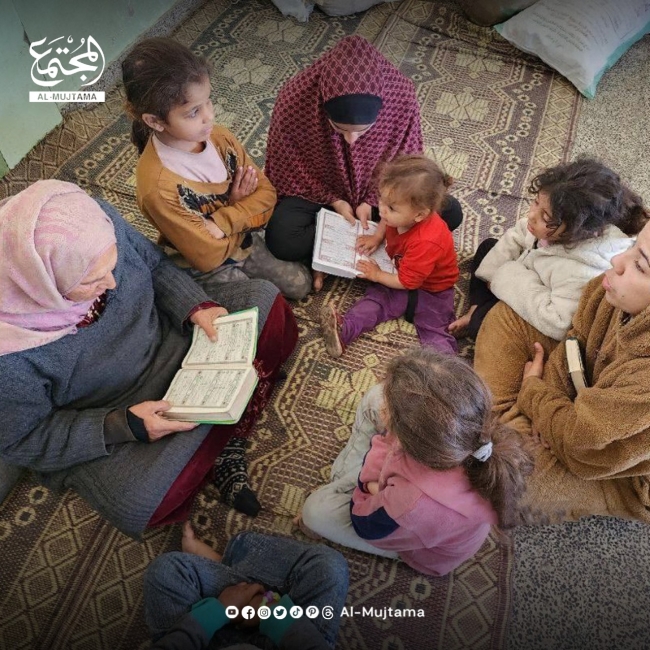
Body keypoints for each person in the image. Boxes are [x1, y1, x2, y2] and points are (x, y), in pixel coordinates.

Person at [0, 180, 298, 537]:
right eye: (92, 279)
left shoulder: (91, 221)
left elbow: (153, 265)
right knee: (140, 503)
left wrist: (194, 305)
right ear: (40, 284)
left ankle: (219, 438)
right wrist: (124, 425)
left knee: (265, 302)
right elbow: (23, 440)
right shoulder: (10, 354)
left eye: (112, 267)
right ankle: (227, 429)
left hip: (171, 337)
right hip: (116, 409)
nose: (112, 283)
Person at [473, 214, 650, 524]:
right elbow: (574, 340)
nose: (617, 259)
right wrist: (551, 395)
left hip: (610, 467)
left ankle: (492, 428)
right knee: (505, 318)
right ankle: (503, 435)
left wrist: (533, 394)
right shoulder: (610, 287)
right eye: (634, 246)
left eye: (641, 266)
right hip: (581, 406)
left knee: (521, 483)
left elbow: (586, 449)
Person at [296, 349, 532, 577]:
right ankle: (348, 478)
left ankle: (341, 480)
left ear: (408, 439)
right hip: (416, 498)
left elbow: (365, 524)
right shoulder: (472, 432)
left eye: (390, 414)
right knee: (375, 397)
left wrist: (371, 479)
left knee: (314, 512)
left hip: (415, 543)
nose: (384, 408)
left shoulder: (411, 502)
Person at [263, 35, 464, 291]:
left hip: (386, 196)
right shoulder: (295, 101)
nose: (351, 141)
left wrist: (373, 199)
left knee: (449, 212)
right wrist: (334, 199)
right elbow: (289, 167)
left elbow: (407, 165)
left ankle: (333, 247)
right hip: (316, 193)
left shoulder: (400, 97)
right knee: (281, 239)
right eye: (340, 128)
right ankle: (334, 249)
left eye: (363, 130)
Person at [122, 37, 311, 301]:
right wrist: (242, 207)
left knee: (301, 284)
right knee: (264, 301)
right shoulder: (158, 188)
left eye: (208, 101)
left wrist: (224, 219)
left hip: (239, 238)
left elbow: (267, 196)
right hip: (203, 268)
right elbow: (208, 256)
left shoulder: (220, 138)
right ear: (154, 121)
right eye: (193, 112)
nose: (209, 116)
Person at [449, 158, 647, 340]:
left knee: (481, 325)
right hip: (524, 274)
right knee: (488, 248)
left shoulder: (580, 271)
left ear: (577, 230)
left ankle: (478, 314)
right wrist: (493, 277)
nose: (532, 215)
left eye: (545, 217)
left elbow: (559, 323)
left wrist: (506, 278)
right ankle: (475, 307)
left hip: (538, 299)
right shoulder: (551, 228)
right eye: (535, 202)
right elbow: (517, 236)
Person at [320, 155, 459, 357]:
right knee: (376, 300)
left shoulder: (427, 241)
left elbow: (408, 282)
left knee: (435, 329)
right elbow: (386, 218)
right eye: (381, 200)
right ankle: (344, 330)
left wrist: (376, 275)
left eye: (391, 208)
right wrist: (377, 236)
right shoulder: (397, 215)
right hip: (403, 271)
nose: (382, 210)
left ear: (420, 215)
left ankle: (447, 371)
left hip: (434, 291)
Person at [143, 523, 348, 649]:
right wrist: (275, 613)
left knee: (166, 571)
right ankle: (237, 569)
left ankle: (227, 564)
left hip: (207, 642)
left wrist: (218, 610)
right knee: (328, 566)